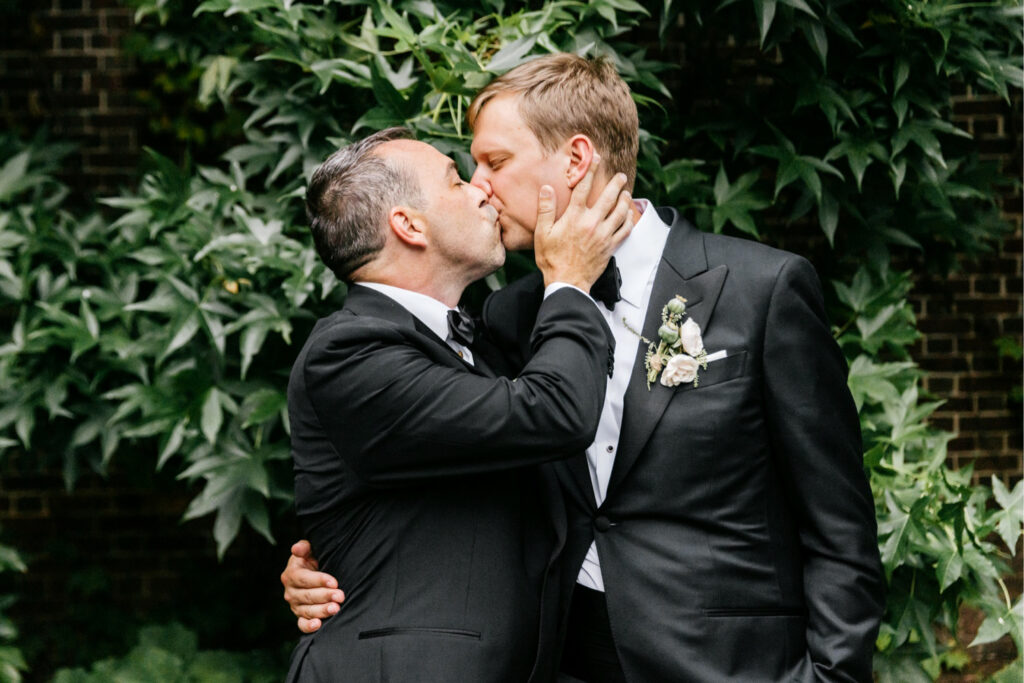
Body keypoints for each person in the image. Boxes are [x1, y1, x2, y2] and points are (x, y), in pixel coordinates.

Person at [283, 54, 886, 682]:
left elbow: (838, 521)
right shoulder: (507, 317)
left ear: (574, 160)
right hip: (555, 659)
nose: (481, 186)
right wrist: (331, 562)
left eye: (495, 162)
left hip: (729, 664)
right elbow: (430, 468)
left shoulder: (762, 289)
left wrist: (832, 677)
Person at [285, 126, 634, 682]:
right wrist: (569, 282)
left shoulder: (478, 342)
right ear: (408, 225)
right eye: (454, 180)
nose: (481, 190)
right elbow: (553, 413)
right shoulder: (347, 351)